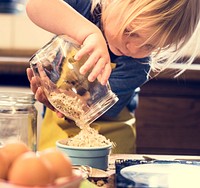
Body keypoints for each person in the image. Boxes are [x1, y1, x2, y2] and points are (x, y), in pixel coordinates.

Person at [26, 0, 200, 153]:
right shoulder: (83, 9)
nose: (133, 48)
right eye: (130, 32)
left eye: (150, 46)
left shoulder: (138, 66)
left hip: (110, 152)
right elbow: (35, 5)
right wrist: (88, 33)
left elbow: (88, 107)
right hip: (55, 143)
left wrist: (56, 99)